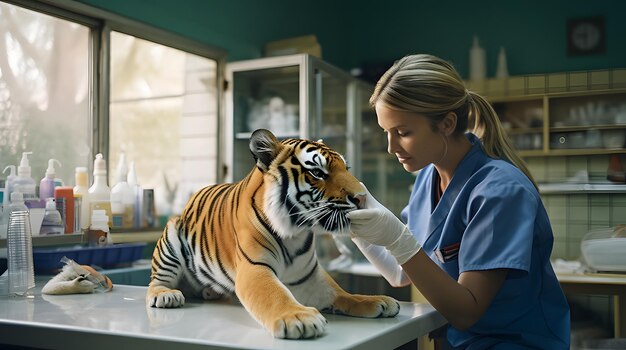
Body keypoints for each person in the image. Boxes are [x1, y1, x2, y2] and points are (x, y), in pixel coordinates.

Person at [346, 54, 570, 349]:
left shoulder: (500, 191)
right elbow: (400, 272)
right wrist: (353, 212)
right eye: (386, 132)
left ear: (447, 123)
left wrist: (397, 238)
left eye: (403, 132)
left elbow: (466, 311)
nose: (391, 147)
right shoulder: (428, 178)